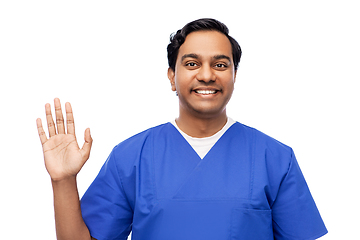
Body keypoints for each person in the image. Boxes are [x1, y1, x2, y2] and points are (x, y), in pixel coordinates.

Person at [37, 18, 328, 240]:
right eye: (191, 63)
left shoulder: (275, 158)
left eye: (220, 64)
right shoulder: (131, 157)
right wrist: (63, 180)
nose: (206, 75)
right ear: (172, 77)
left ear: (234, 76)